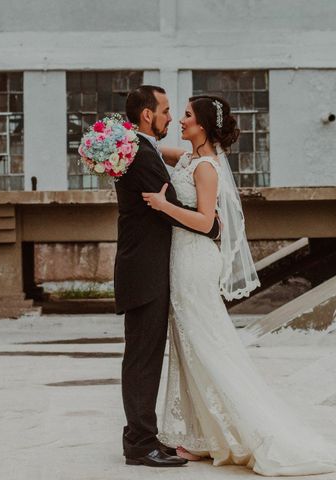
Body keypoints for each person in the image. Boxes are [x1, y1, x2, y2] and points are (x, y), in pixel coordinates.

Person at [142, 95, 336, 476]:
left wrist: (162, 205)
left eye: (186, 116)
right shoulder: (187, 158)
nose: (180, 121)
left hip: (195, 260)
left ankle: (236, 431)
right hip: (180, 258)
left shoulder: (206, 167)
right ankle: (202, 436)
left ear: (201, 125)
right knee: (189, 345)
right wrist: (122, 139)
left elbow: (205, 222)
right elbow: (152, 148)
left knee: (204, 343)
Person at [114, 85, 220, 467]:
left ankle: (141, 436)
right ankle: (140, 443)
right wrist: (213, 227)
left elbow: (180, 162)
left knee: (142, 356)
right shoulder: (141, 153)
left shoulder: (143, 148)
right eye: (166, 111)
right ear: (147, 116)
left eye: (182, 113)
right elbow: (174, 206)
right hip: (145, 270)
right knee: (143, 358)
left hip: (147, 266)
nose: (172, 118)